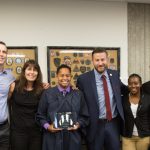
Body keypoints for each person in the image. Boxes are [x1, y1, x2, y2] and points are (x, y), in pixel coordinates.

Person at [76, 49, 126, 150]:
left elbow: (125, 90)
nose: (100, 63)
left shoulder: (115, 75)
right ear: (92, 61)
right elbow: (78, 100)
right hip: (94, 125)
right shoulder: (83, 79)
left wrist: (142, 88)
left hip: (113, 124)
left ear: (107, 59)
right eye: (97, 60)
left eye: (102, 59)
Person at [36, 64, 89, 150]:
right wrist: (48, 127)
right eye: (62, 75)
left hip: (73, 137)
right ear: (57, 76)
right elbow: (40, 115)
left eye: (67, 75)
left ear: (71, 77)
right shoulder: (47, 93)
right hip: (52, 138)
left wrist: (78, 125)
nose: (65, 78)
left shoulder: (78, 94)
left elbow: (84, 116)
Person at [10, 60, 44, 150]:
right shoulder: (14, 86)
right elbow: (5, 104)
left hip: (36, 132)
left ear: (38, 73)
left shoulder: (41, 89)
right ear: (24, 71)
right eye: (29, 69)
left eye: (35, 70)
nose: (32, 72)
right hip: (18, 133)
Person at [122, 73, 150, 150]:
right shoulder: (123, 99)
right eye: (130, 84)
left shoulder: (147, 98)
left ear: (140, 84)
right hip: (127, 137)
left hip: (144, 137)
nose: (133, 86)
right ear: (128, 85)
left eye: (136, 83)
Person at [0, 41, 15, 150]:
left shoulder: (9, 75)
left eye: (4, 52)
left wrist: (43, 85)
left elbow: (8, 98)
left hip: (4, 127)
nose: (1, 54)